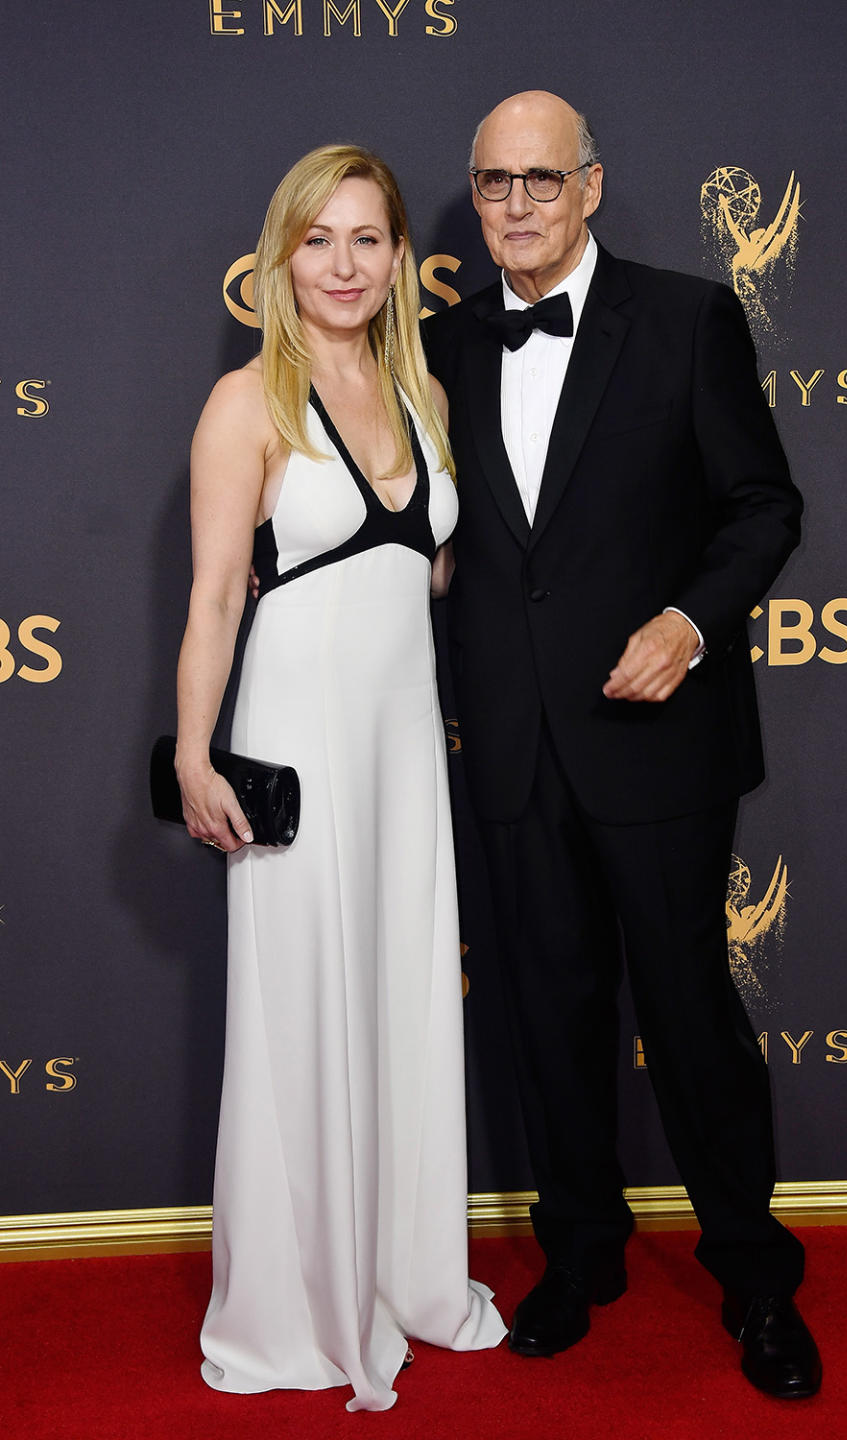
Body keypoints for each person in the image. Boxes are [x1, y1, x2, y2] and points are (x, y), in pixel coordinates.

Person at [423, 92, 821, 1398]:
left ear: (591, 186)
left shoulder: (688, 316)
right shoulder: (439, 343)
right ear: (474, 198)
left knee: (694, 1019)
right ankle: (578, 1255)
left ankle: (756, 1279)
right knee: (549, 1013)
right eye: (495, 183)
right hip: (516, 747)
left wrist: (691, 622)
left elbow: (763, 508)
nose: (519, 204)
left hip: (657, 744)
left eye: (543, 178)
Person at [174, 143, 505, 1413]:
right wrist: (199, 751)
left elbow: (421, 574)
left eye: (369, 239)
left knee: (398, 999)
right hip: (299, 738)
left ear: (399, 258)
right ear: (280, 257)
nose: (346, 265)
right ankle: (297, 1309)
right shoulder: (244, 404)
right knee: (303, 1010)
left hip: (402, 744)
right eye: (320, 240)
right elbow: (212, 597)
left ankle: (404, 1274)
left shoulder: (422, 398)